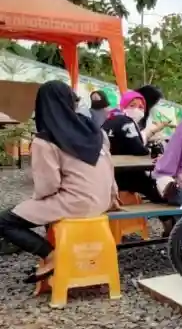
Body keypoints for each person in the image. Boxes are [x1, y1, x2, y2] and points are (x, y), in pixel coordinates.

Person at [0, 80, 117, 283]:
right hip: (104, 200)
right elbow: (109, 165)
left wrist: (35, 201)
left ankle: (51, 255)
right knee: (46, 209)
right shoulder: (93, 130)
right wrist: (113, 193)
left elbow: (48, 186)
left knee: (5, 221)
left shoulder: (46, 139)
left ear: (42, 105)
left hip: (76, 203)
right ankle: (65, 254)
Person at [102, 90, 162, 201]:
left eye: (141, 107)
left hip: (108, 172)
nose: (137, 110)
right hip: (124, 174)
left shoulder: (109, 119)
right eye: (132, 105)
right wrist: (149, 151)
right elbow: (138, 149)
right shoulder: (126, 122)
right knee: (157, 191)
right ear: (124, 106)